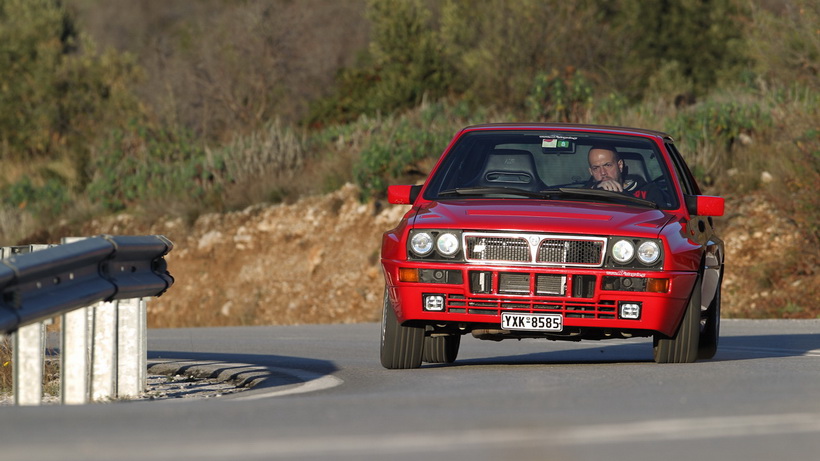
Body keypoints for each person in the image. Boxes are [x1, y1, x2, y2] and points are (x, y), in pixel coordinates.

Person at [586, 146, 664, 204]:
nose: (603, 172)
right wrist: (595, 192)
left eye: (608, 165)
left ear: (620, 166)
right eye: (596, 168)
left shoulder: (649, 192)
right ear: (591, 172)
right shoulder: (582, 195)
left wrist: (621, 194)